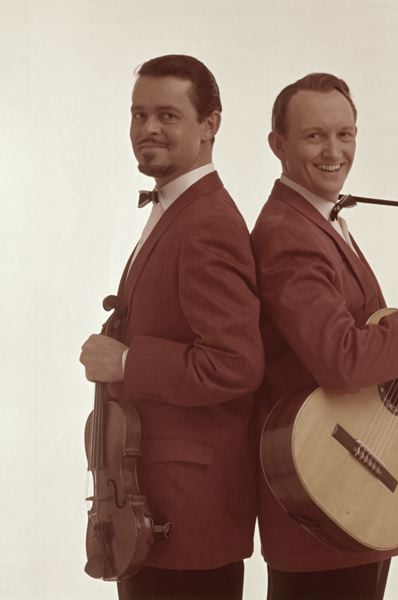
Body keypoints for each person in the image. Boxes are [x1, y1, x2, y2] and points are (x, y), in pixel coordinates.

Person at [251, 73, 398, 600]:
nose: (334, 151)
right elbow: (342, 359)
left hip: (354, 493)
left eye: (345, 134)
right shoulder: (289, 233)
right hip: (322, 492)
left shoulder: (319, 221)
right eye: (314, 136)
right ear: (277, 145)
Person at [79, 54, 264, 600]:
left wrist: (127, 361)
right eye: (139, 115)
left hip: (188, 514)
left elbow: (236, 365)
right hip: (145, 507)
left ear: (210, 125)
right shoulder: (176, 209)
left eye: (167, 115)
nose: (148, 129)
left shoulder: (208, 222)